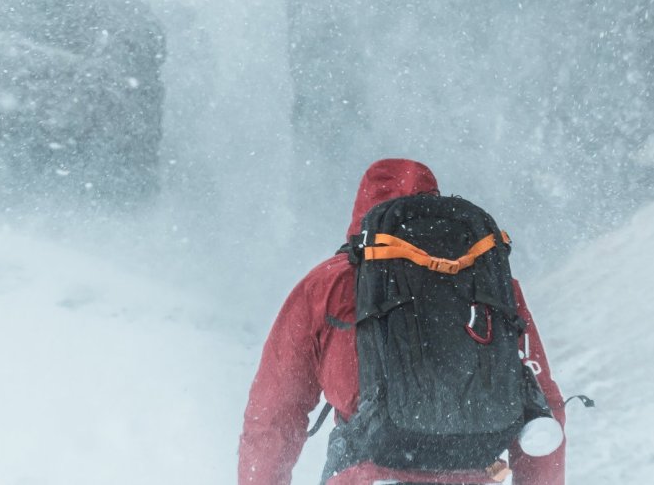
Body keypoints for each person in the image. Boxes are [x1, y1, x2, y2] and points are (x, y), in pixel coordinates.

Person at [238, 159, 565, 485]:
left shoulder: (327, 284)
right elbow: (540, 398)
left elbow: (274, 415)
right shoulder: (490, 284)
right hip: (475, 476)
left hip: (363, 475)